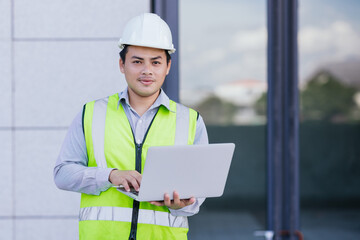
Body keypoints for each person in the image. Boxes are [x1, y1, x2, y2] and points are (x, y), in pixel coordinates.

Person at [54, 13, 208, 240]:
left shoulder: (191, 121)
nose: (147, 70)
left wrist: (180, 205)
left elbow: (198, 195)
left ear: (167, 66)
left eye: (155, 62)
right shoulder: (91, 113)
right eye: (137, 61)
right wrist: (109, 175)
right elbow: (63, 174)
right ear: (121, 64)